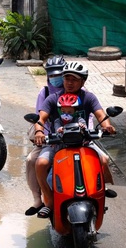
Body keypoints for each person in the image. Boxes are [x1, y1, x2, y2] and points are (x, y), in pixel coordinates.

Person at [32, 61, 116, 219]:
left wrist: (107, 126)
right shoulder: (52, 98)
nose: (69, 83)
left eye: (74, 79)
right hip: (57, 143)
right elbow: (41, 118)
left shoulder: (89, 97)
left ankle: (100, 192)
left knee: (104, 160)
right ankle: (49, 200)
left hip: (84, 142)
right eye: (67, 79)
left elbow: (101, 115)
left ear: (83, 81)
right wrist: (39, 132)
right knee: (40, 164)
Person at [24, 55, 66, 216]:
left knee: (101, 158)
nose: (55, 78)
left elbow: (89, 114)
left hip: (77, 137)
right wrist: (41, 133)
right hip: (50, 138)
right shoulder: (46, 92)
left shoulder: (79, 91)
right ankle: (38, 199)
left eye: (59, 74)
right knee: (32, 160)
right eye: (52, 75)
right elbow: (39, 118)